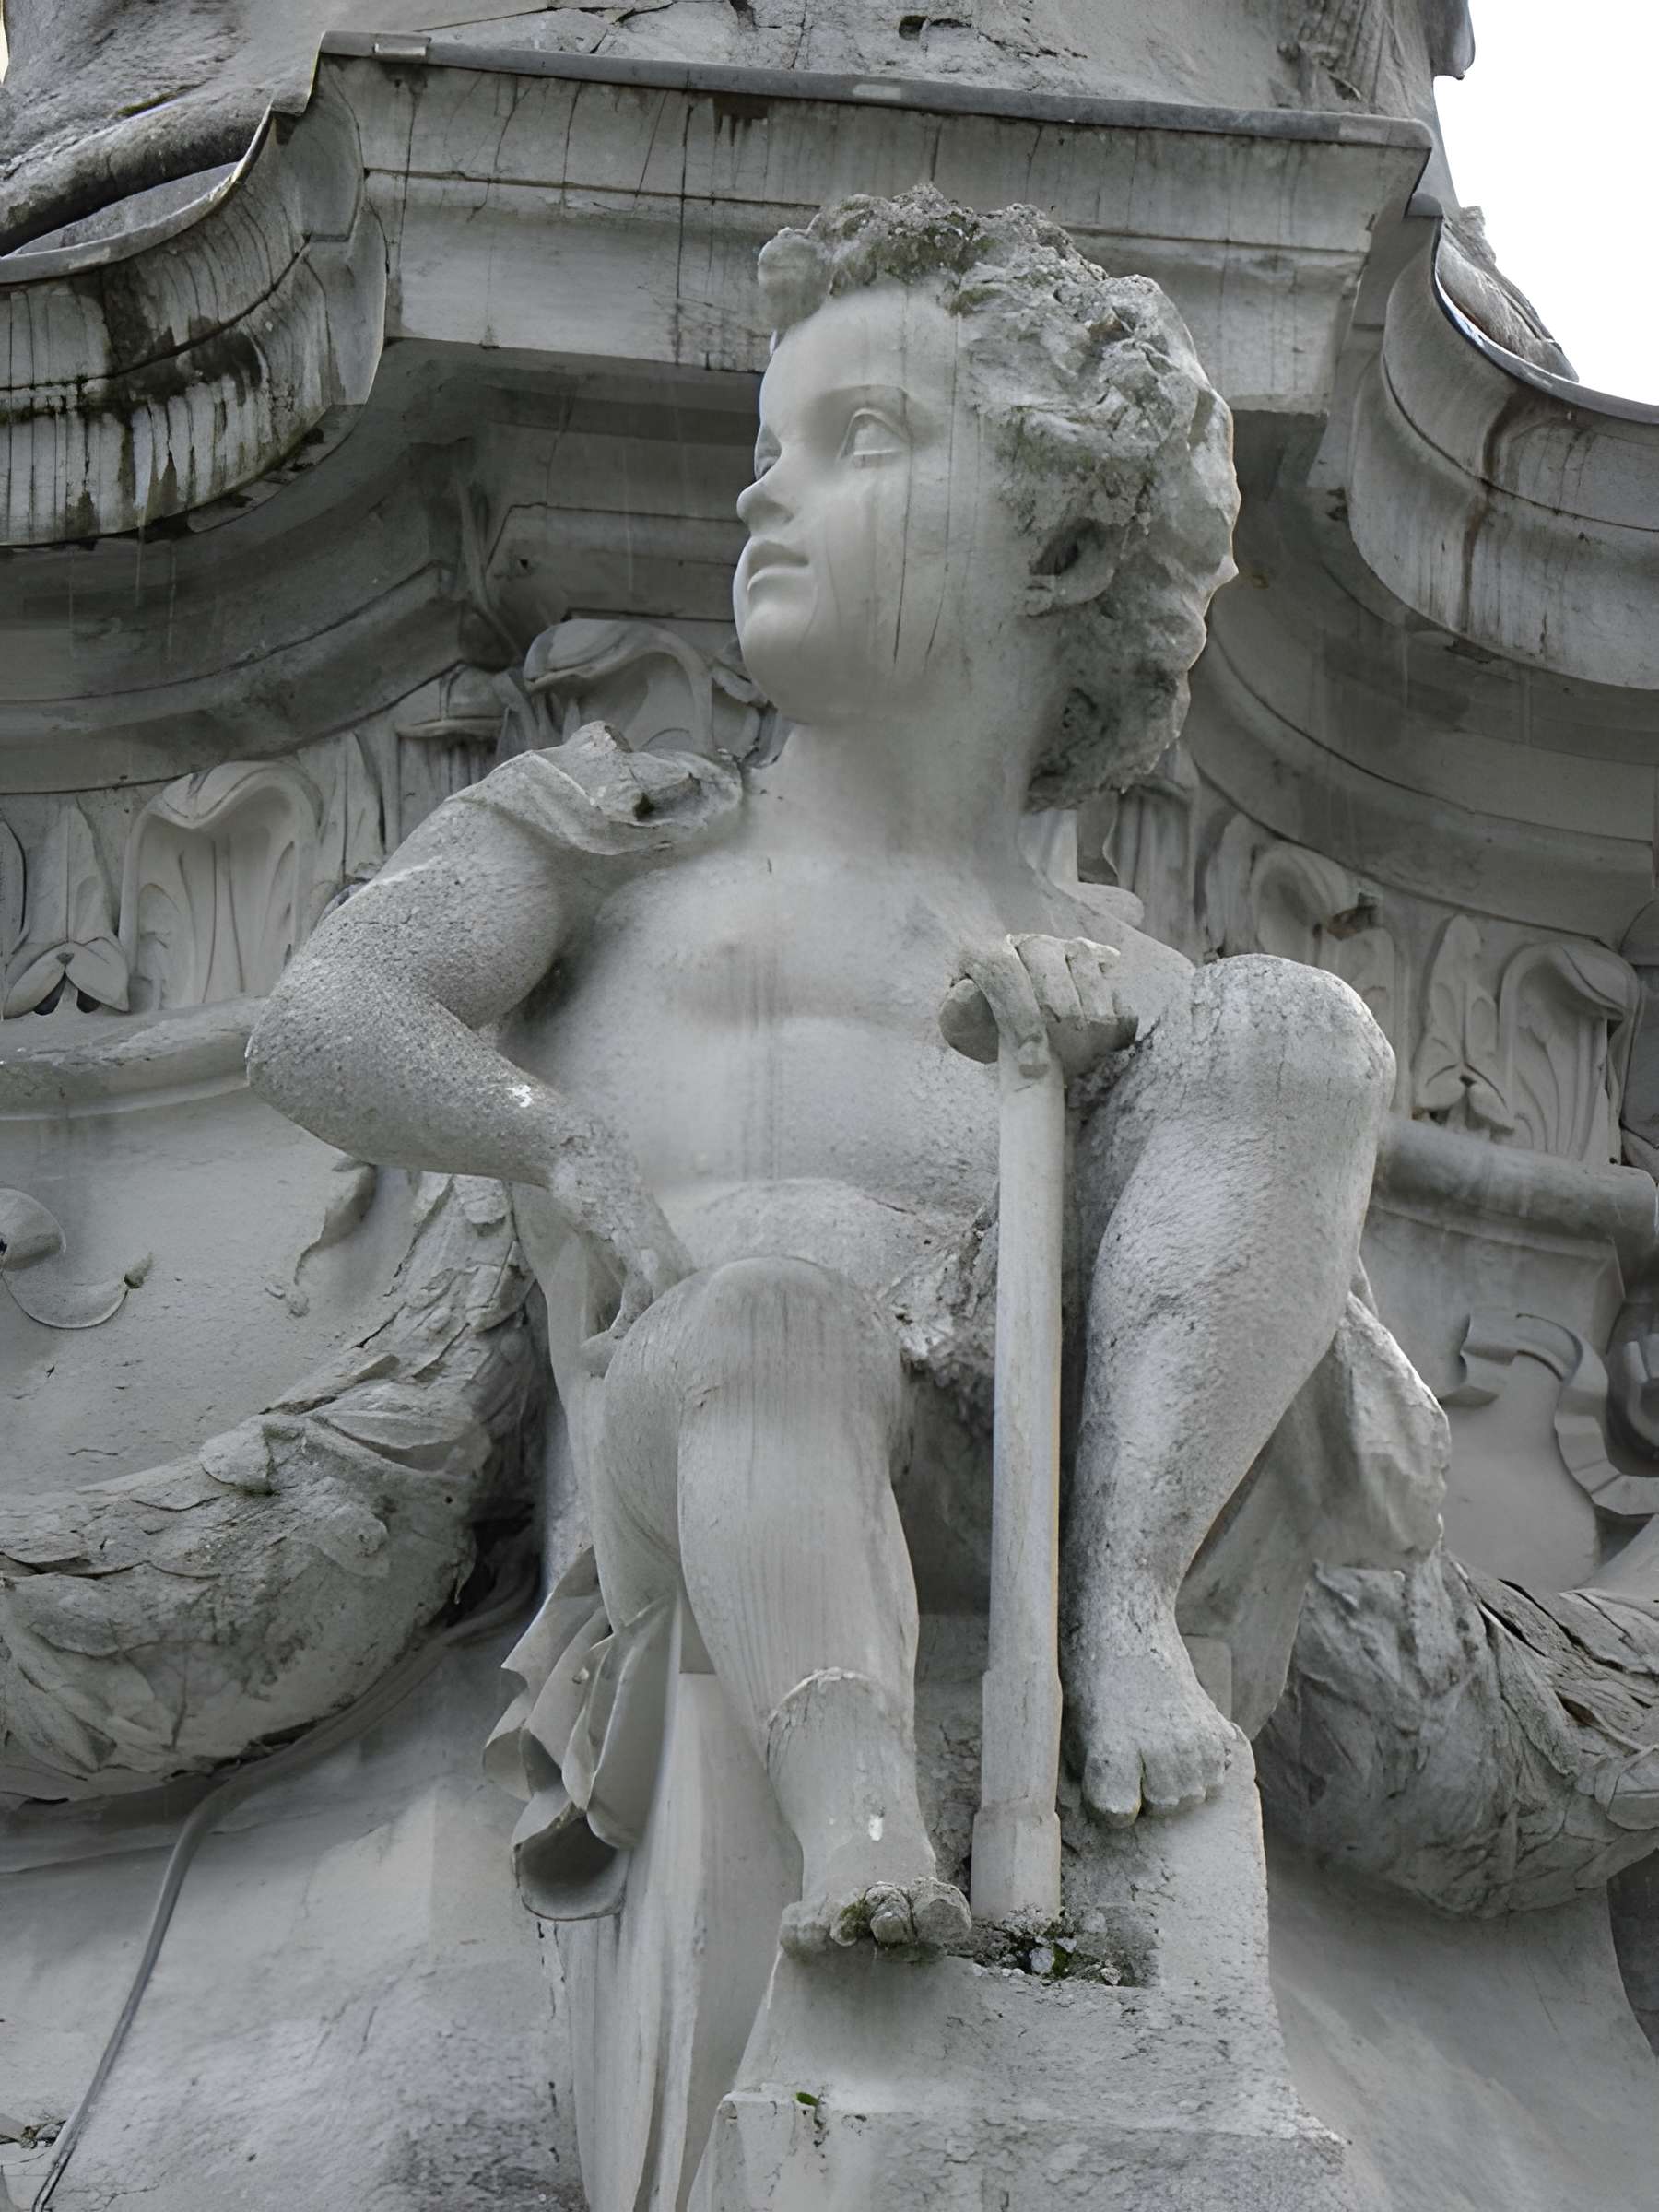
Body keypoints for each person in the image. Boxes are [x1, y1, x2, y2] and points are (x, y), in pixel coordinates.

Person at [248, 185, 1441, 1959]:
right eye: (765, 442)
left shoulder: (1142, 979)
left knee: (1296, 1028)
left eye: (855, 436)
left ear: (1060, 552)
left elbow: (1388, 1451)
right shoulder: (625, 836)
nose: (758, 490)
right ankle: (861, 1830)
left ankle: (1120, 1620)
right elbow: (322, 1022)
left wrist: (1131, 1083)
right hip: (715, 1440)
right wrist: (554, 1143)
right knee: (770, 1316)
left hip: (1026, 1471)